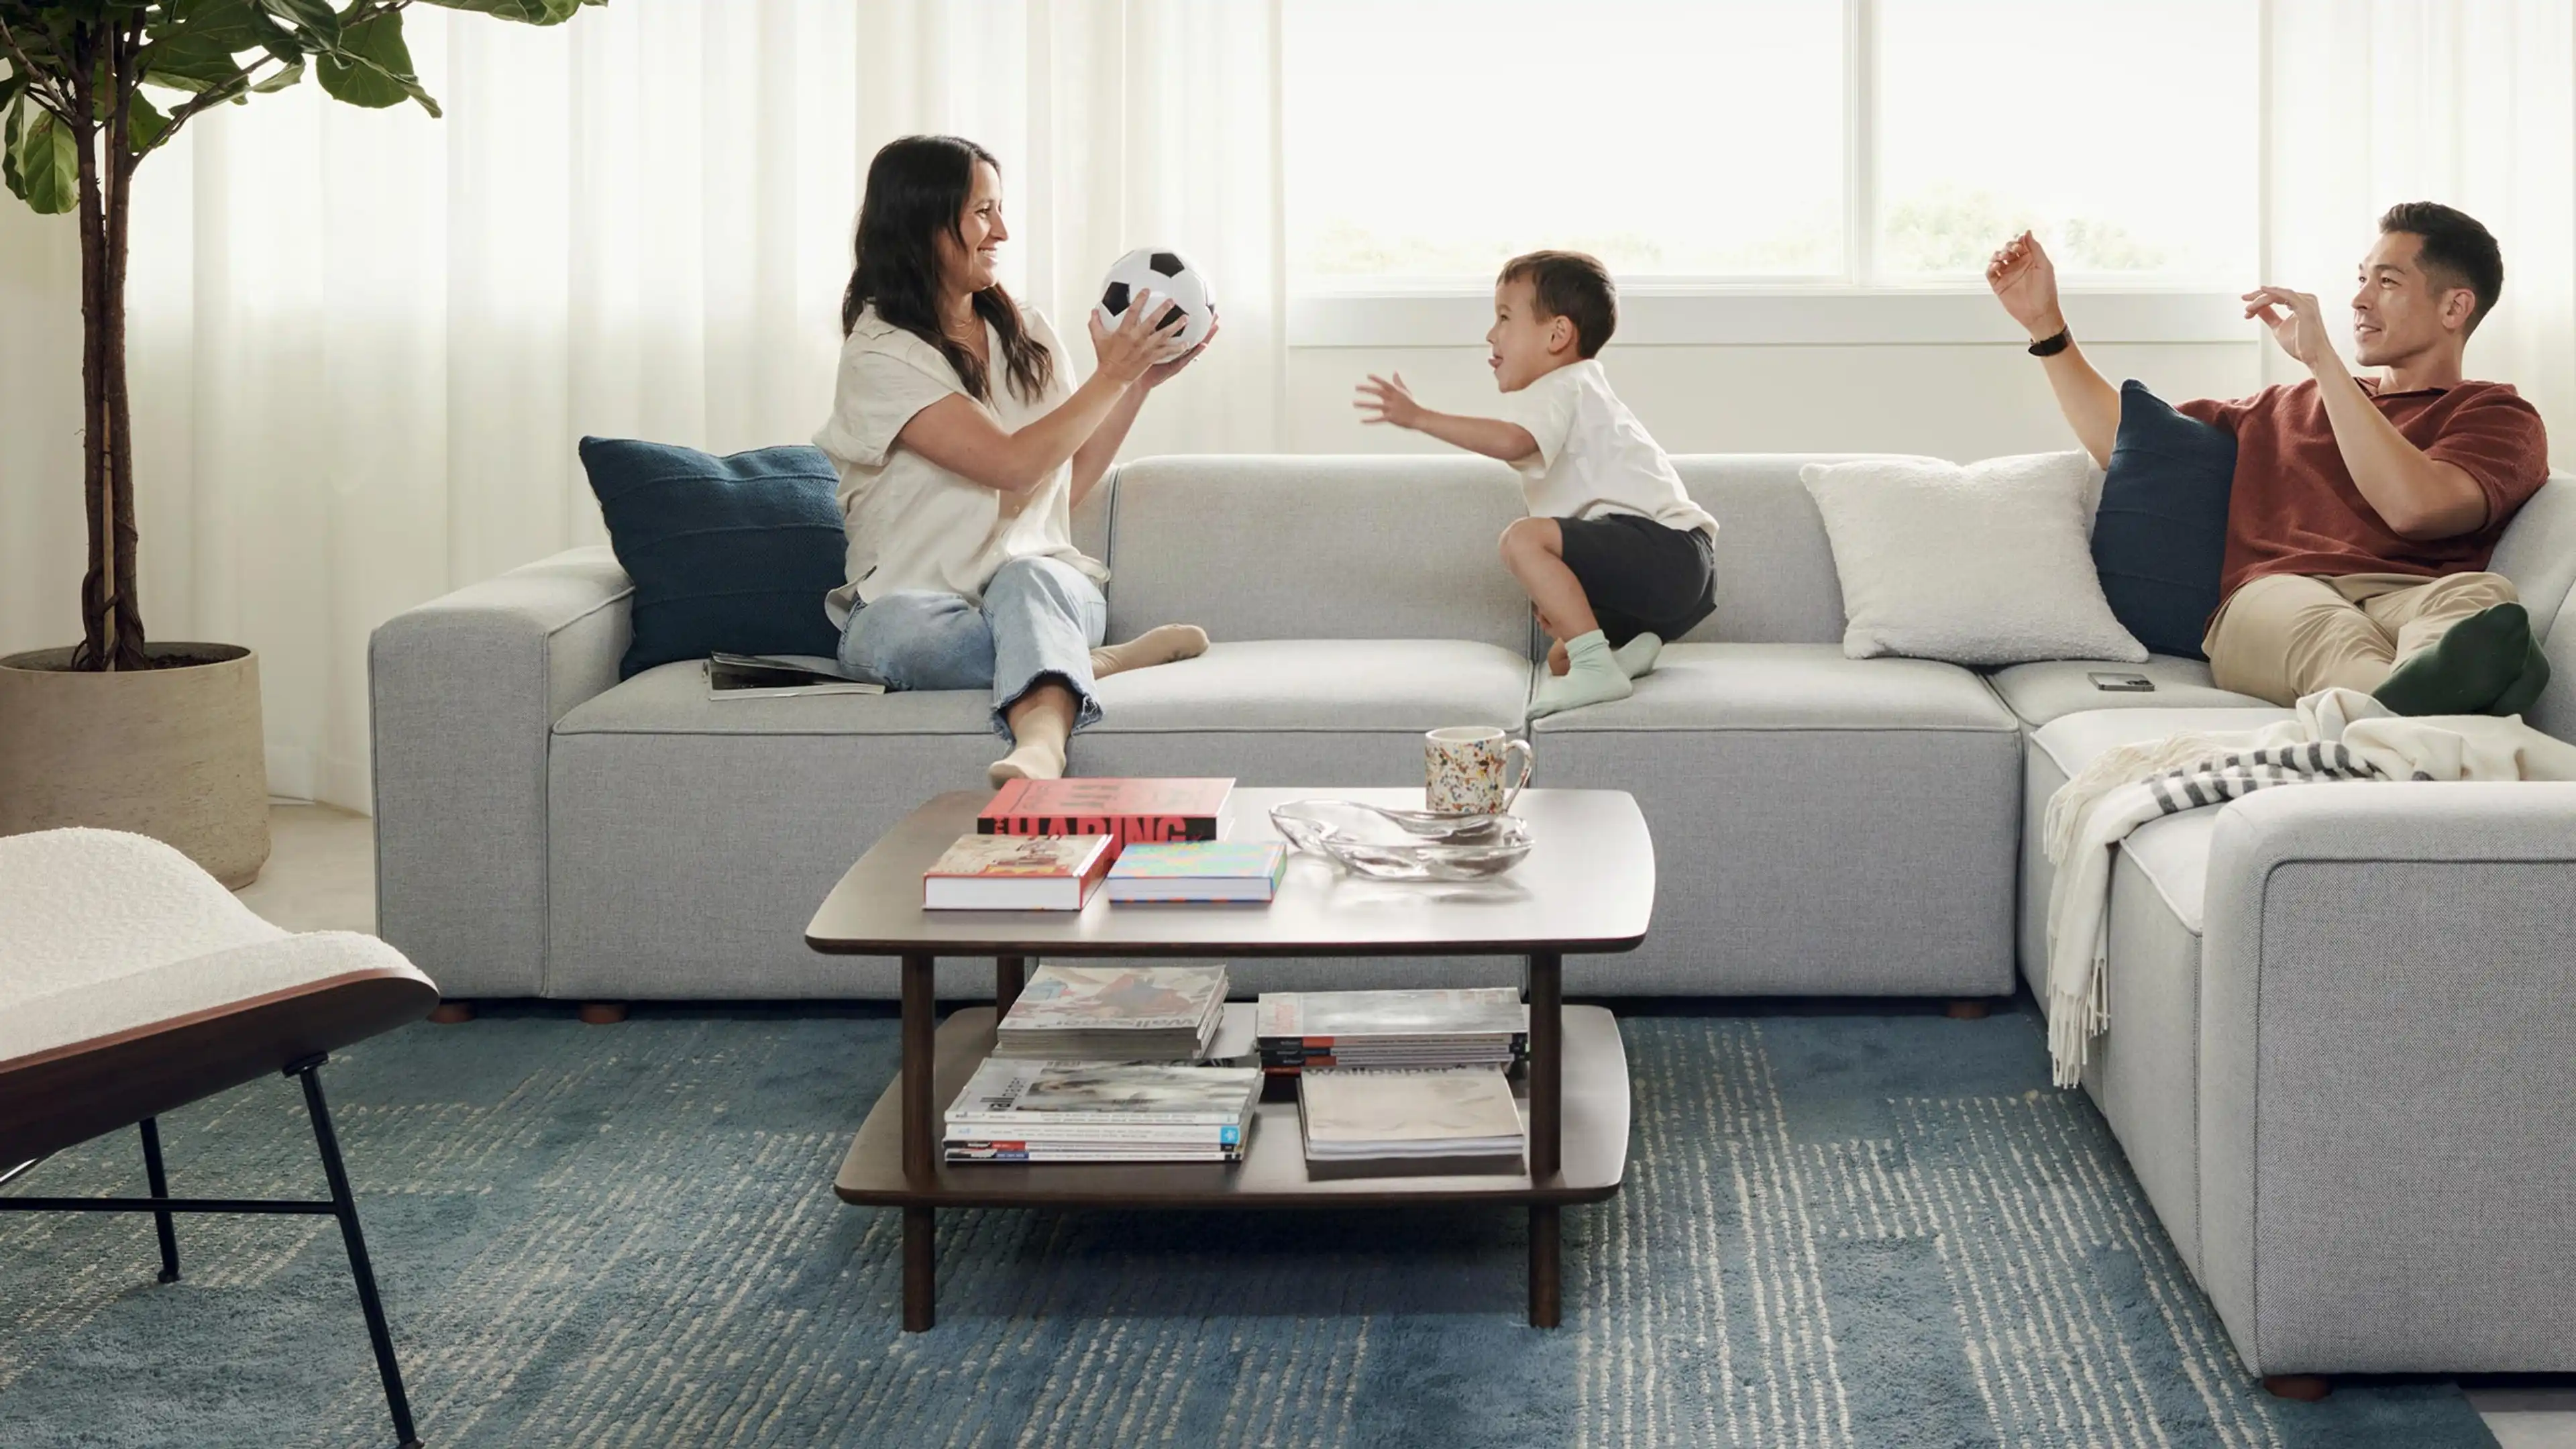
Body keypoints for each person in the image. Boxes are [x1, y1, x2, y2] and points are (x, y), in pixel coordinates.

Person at [1987, 202, 2552, 716]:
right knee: (2323, 630)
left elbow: (2416, 508)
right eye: (2361, 279)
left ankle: (2413, 707)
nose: (2358, 300)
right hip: (2277, 595)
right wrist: (2046, 327)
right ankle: (2425, 710)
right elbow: (2124, 444)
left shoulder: (2495, 414)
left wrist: (2323, 363)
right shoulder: (2285, 407)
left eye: (2387, 282)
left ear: (2455, 307)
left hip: (2408, 596)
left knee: (2483, 599)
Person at [818, 135, 1218, 786]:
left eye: (999, 209)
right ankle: (1088, 660)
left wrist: (1135, 382)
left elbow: (1060, 484)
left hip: (1039, 587)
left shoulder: (1026, 333)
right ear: (922, 223)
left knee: (1026, 581)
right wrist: (1111, 376)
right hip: (917, 603)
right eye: (982, 212)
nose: (1001, 230)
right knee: (889, 638)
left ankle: (1039, 742)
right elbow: (1010, 465)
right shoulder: (880, 354)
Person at [1352, 250, 1719, 718]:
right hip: (1683, 575)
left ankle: (1598, 669)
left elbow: (1511, 440)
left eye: (1504, 317)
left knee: (1521, 539)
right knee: (1561, 656)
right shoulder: (1583, 390)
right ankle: (1619, 659)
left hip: (1668, 555)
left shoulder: (1562, 384)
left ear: (1558, 335)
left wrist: (1421, 417)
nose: (1491, 334)